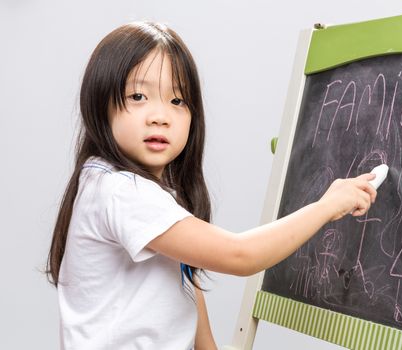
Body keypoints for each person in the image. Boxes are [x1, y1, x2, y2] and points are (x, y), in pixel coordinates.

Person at [46, 21, 377, 350]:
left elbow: (185, 280)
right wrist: (326, 206)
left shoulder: (142, 192)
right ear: (99, 105)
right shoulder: (119, 191)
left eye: (177, 101)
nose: (159, 116)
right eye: (138, 96)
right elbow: (241, 254)